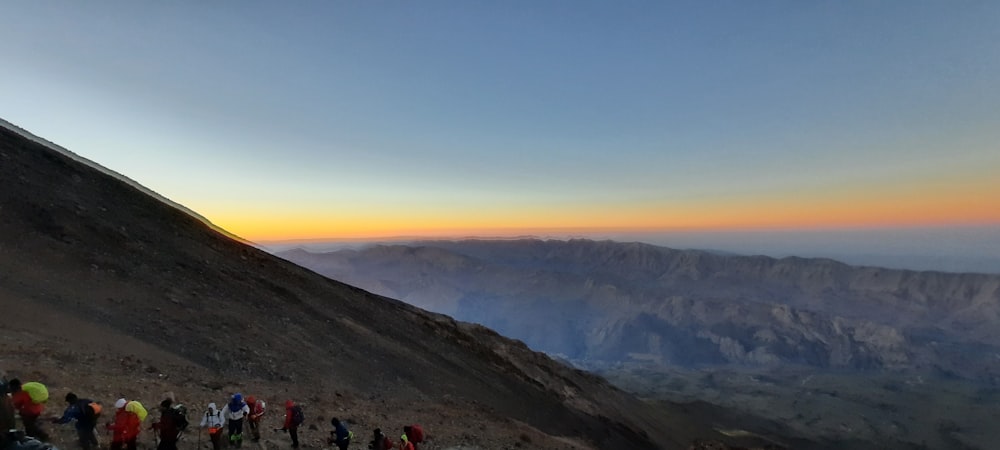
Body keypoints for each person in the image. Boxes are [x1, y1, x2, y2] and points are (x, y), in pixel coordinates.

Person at [1, 376, 57, 450]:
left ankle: (40, 436)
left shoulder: (20, 394)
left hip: (28, 412)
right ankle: (41, 436)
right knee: (32, 425)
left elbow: (16, 404)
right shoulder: (26, 391)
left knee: (30, 426)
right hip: (36, 410)